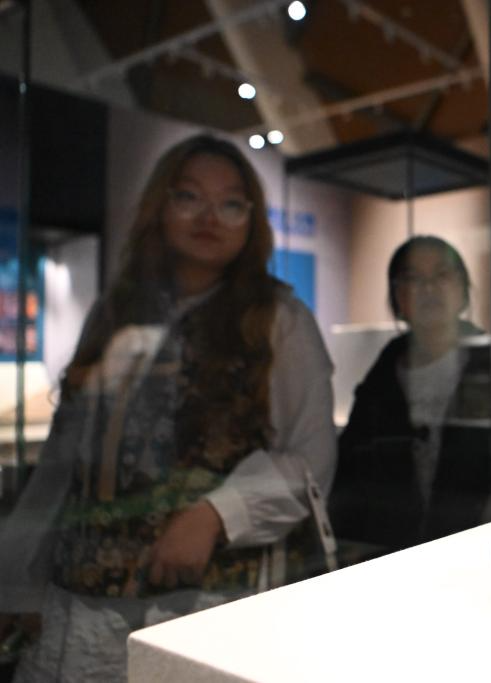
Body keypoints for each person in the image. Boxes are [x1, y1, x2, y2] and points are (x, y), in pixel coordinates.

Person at [0, 134, 336, 682]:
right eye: (189, 196)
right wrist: (17, 581)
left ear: (251, 220)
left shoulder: (278, 319)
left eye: (231, 203)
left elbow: (312, 457)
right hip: (80, 599)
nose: (210, 217)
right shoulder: (115, 314)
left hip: (206, 605)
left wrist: (215, 515)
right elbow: (63, 464)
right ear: (161, 204)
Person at [328, 236, 491, 557]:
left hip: (484, 556)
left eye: (442, 275)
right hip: (389, 561)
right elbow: (350, 488)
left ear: (463, 289)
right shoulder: (378, 387)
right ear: (397, 295)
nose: (429, 288)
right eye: (413, 278)